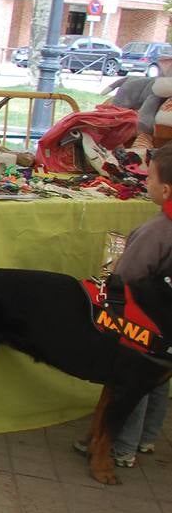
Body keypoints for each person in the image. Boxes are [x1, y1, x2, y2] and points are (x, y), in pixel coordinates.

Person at [75, 143, 172, 466]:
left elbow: (128, 275)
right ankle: (147, 438)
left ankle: (121, 447)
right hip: (168, 331)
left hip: (145, 321)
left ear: (166, 189)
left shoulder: (158, 230)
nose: (145, 182)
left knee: (134, 381)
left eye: (150, 178)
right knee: (160, 379)